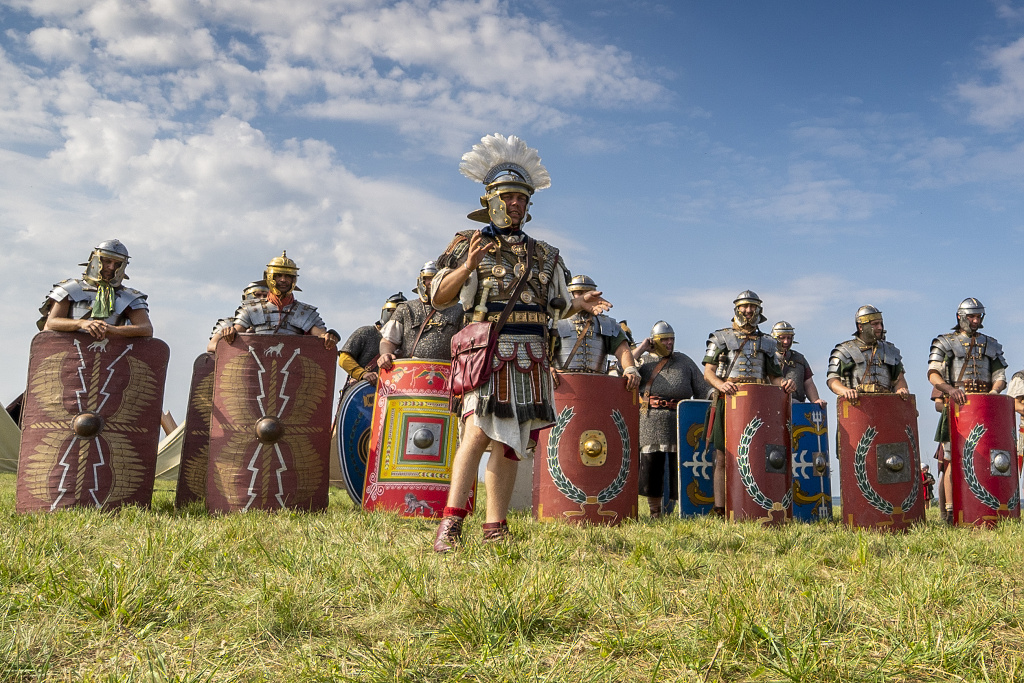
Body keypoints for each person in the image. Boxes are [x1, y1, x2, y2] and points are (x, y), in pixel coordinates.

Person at [430, 133, 610, 551]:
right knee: (475, 434)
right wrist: (468, 266)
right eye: (509, 197)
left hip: (530, 355)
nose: (517, 204)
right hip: (488, 351)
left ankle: (495, 527)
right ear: (490, 199)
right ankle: (451, 524)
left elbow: (557, 306)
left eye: (523, 198)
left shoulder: (546, 254)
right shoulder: (467, 243)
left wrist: (580, 303)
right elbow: (439, 296)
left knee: (511, 443)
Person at [702, 291, 795, 516]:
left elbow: (774, 377)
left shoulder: (768, 343)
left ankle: (753, 506)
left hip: (756, 404)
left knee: (756, 456)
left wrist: (785, 384)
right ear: (736, 309)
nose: (748, 311)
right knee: (723, 457)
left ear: (759, 311)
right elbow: (708, 373)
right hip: (728, 401)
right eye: (744, 307)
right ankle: (720, 508)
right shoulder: (721, 337)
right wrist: (721, 385)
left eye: (752, 307)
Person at [927, 298, 1007, 524]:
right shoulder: (945, 342)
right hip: (957, 410)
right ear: (960, 317)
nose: (975, 321)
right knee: (952, 460)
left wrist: (993, 394)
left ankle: (985, 508)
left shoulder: (991, 344)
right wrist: (950, 390)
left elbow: (999, 376)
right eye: (972, 316)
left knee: (987, 459)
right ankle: (950, 512)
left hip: (984, 409)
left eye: (979, 316)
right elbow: (933, 373)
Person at [630, 320, 711, 518]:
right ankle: (655, 512)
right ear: (654, 340)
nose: (669, 343)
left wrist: (717, 395)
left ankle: (679, 510)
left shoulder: (684, 361)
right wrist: (641, 349)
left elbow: (703, 389)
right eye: (664, 339)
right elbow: (620, 370)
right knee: (652, 468)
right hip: (651, 420)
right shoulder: (642, 361)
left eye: (672, 339)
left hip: (680, 420)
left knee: (679, 468)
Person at [39, 239, 153, 339]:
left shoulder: (129, 297)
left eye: (117, 264)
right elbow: (51, 323)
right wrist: (81, 324)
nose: (111, 267)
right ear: (95, 260)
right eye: (107, 261)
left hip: (109, 354)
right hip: (69, 353)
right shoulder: (71, 289)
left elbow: (146, 329)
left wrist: (113, 330)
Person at [222, 252, 339, 348]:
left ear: (294, 279)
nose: (283, 280)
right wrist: (230, 333)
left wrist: (328, 337)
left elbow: (321, 335)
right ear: (270, 277)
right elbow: (237, 332)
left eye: (288, 276)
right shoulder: (251, 309)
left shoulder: (306, 312)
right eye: (279, 275)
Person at [379, 263, 463, 368]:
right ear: (421, 281)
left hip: (447, 373)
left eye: (438, 278)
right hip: (409, 372)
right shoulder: (406, 308)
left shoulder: (459, 310)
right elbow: (389, 340)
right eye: (429, 278)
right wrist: (385, 354)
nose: (432, 283)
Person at [826, 305, 910, 402]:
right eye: (875, 324)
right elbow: (833, 380)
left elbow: (899, 379)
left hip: (886, 404)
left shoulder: (889, 350)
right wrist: (845, 391)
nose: (879, 327)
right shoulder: (845, 350)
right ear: (860, 326)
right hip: (858, 405)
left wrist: (901, 389)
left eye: (881, 323)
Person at [339, 293, 406, 388]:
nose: (396, 317)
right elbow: (344, 359)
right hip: (363, 392)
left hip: (393, 392)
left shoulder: (408, 341)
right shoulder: (366, 332)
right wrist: (362, 374)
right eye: (392, 312)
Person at [771, 321, 827, 408]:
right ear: (775, 338)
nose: (786, 342)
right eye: (782, 338)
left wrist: (815, 400)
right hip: (771, 404)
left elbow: (808, 383)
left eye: (789, 338)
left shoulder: (799, 359)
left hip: (796, 405)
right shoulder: (766, 357)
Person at [207, 281, 269, 353]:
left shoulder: (269, 325)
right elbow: (211, 346)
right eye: (258, 295)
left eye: (265, 296)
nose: (262, 299)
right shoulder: (229, 324)